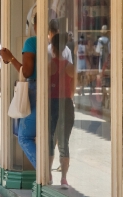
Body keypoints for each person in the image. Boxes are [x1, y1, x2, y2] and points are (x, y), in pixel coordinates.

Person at [0, 14, 37, 168]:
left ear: (35, 26)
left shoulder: (32, 42)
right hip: (58, 94)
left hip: (36, 91)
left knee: (24, 137)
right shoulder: (59, 45)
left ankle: (45, 173)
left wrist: (11, 58)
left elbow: (26, 72)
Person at [49, 34, 75, 189]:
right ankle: (64, 178)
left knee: (50, 140)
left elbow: (44, 89)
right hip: (66, 104)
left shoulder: (49, 66)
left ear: (52, 48)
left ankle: (49, 174)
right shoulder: (69, 67)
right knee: (64, 142)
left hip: (52, 103)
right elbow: (73, 90)